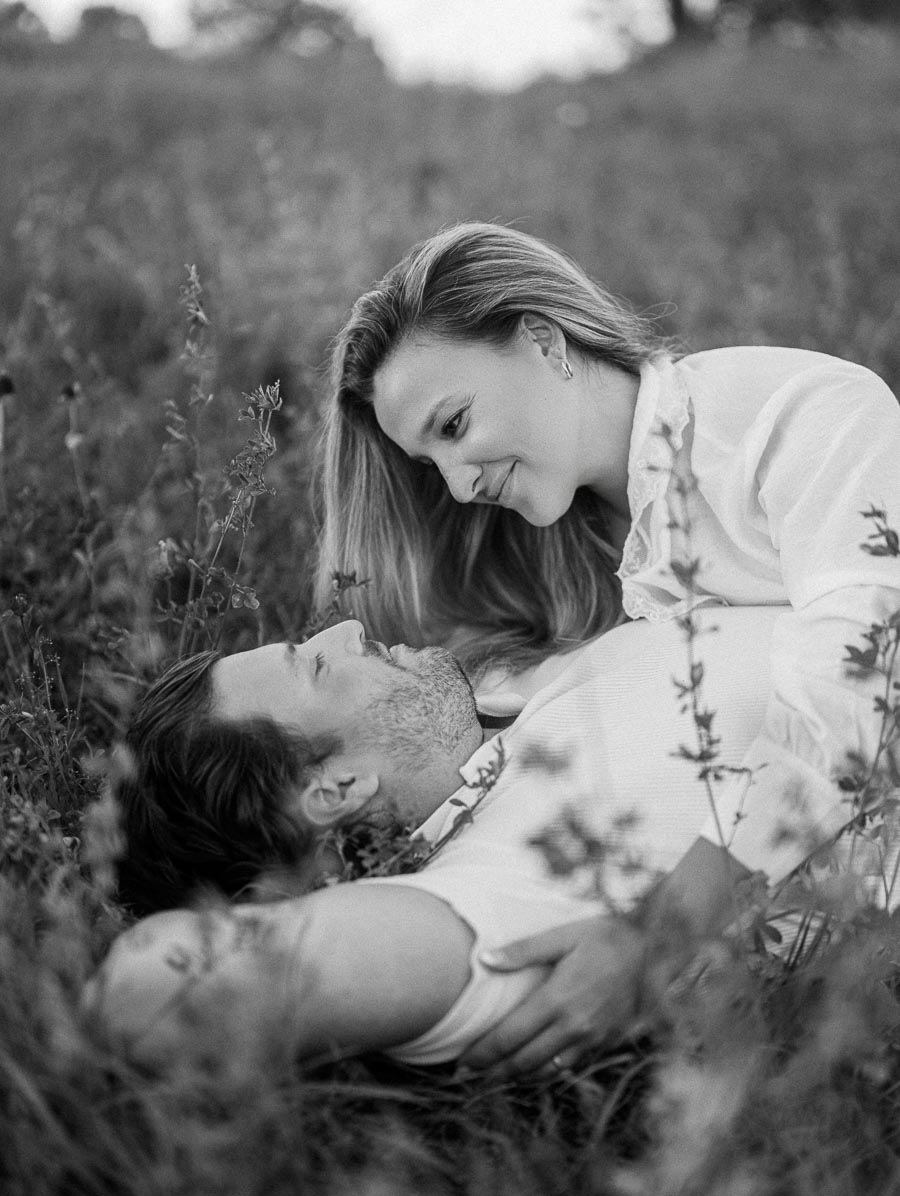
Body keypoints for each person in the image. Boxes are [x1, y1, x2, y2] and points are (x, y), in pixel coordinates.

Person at [315, 220, 900, 1072]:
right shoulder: (571, 553)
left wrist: (662, 931)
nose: (458, 485)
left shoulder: (791, 415)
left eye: (455, 423)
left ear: (545, 342)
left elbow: (869, 670)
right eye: (427, 464)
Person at [92, 607, 796, 1075]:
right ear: (336, 788)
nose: (347, 624)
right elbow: (151, 987)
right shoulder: (490, 885)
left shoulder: (501, 697)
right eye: (315, 664)